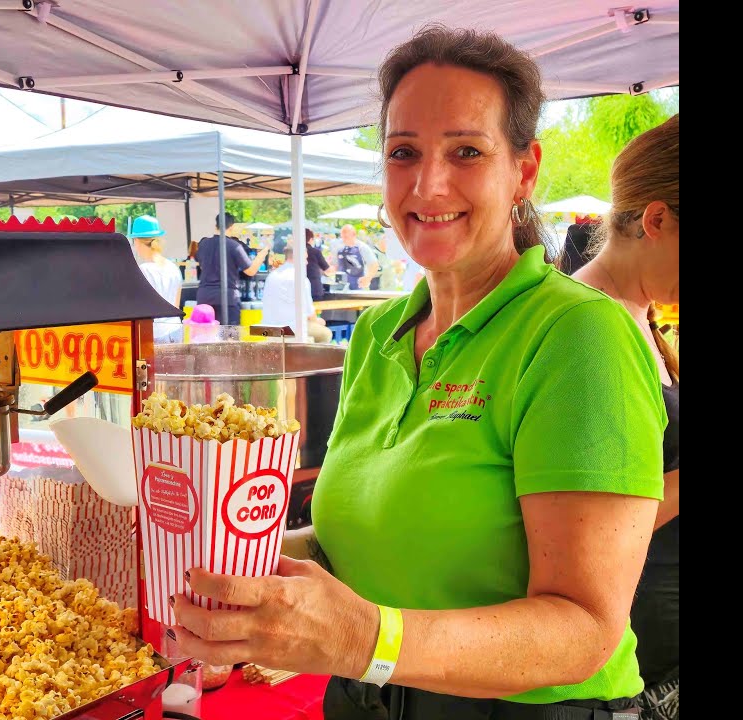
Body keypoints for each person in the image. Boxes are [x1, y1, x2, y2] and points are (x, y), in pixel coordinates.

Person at [169, 25, 664, 720]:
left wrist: (365, 637)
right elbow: (375, 536)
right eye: (404, 153)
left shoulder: (576, 332)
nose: (428, 183)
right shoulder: (377, 332)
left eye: (466, 151)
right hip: (365, 701)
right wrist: (234, 565)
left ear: (524, 171)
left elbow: (584, 628)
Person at [571, 115, 679, 720]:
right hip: (639, 636)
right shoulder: (592, 328)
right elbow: (590, 526)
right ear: (657, 220)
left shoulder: (635, 316)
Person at [194, 212, 269, 325]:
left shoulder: (203, 244)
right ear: (232, 227)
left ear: (216, 226)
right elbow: (250, 271)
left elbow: (200, 264)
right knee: (229, 338)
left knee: (205, 336)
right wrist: (262, 255)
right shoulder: (234, 246)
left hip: (204, 296)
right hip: (227, 297)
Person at [128, 216, 184, 343]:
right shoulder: (174, 268)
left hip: (155, 333)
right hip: (176, 330)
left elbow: (140, 306)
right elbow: (176, 305)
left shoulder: (144, 270)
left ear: (136, 241)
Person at [260, 240, 315, 331]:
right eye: (305, 258)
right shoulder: (301, 279)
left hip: (268, 328)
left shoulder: (272, 276)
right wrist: (319, 321)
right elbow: (309, 313)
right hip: (291, 329)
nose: (306, 262)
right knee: (325, 333)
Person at [335, 224, 379, 290]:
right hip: (340, 285)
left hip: (357, 285)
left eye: (346, 237)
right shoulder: (339, 247)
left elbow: (374, 264)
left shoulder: (362, 248)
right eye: (342, 236)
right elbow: (335, 265)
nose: (343, 239)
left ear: (354, 234)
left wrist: (368, 278)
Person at [304, 228, 331, 301]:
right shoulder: (315, 252)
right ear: (310, 239)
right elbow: (327, 270)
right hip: (314, 289)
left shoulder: (294, 251)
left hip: (299, 289)